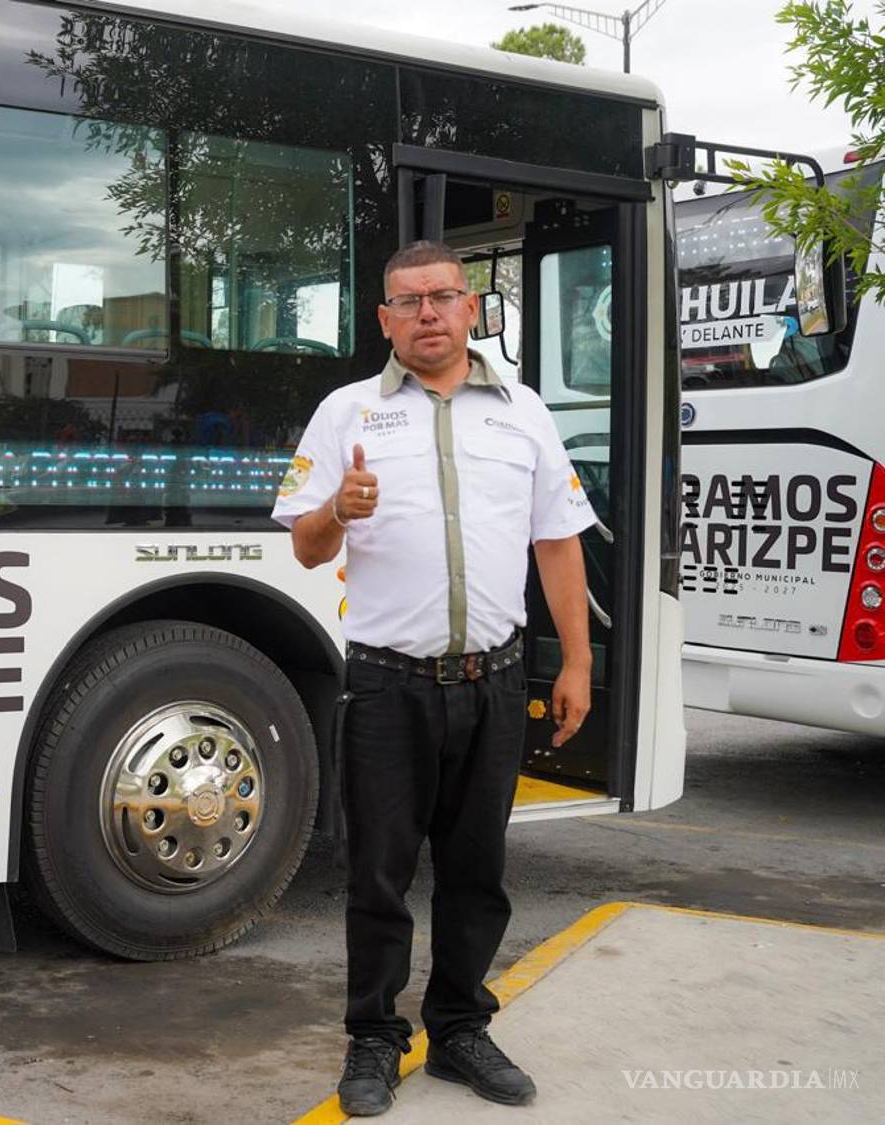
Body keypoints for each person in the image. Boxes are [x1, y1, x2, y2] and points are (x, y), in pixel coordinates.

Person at [271, 241, 597, 1115]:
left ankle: (458, 1028)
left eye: (443, 297)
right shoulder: (346, 414)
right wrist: (337, 508)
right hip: (386, 685)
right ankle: (375, 1037)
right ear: (384, 319)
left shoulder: (522, 412)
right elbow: (304, 545)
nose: (427, 314)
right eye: (408, 302)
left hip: (491, 682)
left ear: (472, 308)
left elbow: (556, 540)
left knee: (477, 868)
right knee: (378, 873)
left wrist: (577, 658)